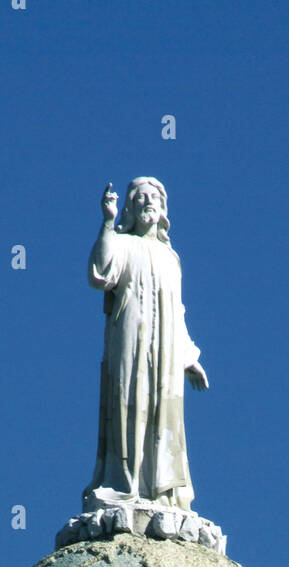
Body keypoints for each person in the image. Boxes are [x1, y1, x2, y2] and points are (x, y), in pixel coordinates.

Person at [84, 177, 209, 512]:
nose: (148, 202)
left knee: (162, 408)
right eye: (140, 197)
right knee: (127, 402)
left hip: (166, 347)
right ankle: (124, 484)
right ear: (130, 206)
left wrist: (188, 358)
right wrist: (108, 223)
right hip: (128, 335)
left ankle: (160, 490)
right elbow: (101, 275)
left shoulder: (171, 258)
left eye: (154, 197)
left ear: (163, 207)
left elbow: (178, 311)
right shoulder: (123, 243)